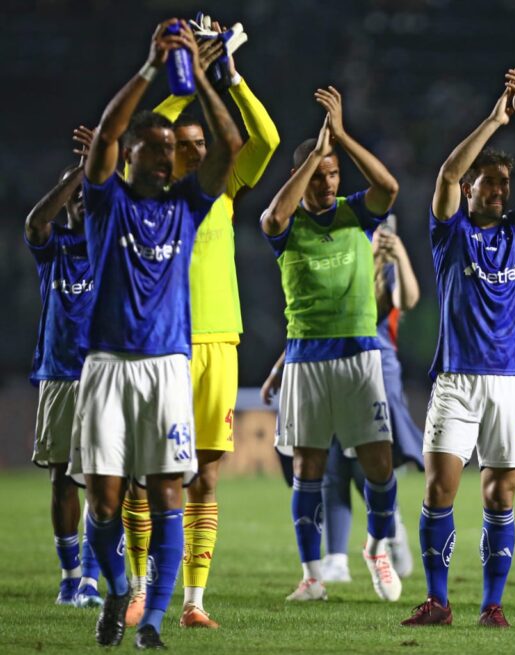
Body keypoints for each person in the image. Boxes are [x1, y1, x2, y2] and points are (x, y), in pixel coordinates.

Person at [70, 19, 242, 650]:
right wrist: (150, 70)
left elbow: (228, 146)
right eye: (157, 147)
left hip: (167, 365)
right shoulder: (105, 202)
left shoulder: (188, 207)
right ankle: (118, 588)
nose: (169, 156)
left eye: (173, 150)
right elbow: (107, 135)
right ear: (134, 154)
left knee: (170, 489)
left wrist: (199, 75)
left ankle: (154, 622)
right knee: (107, 503)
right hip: (108, 365)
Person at [119, 17, 279, 630]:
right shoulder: (150, 192)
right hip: (159, 343)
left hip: (219, 340)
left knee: (205, 475)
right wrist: (182, 78)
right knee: (143, 473)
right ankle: (137, 590)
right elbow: (140, 131)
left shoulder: (223, 189)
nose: (195, 150)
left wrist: (229, 76)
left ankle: (193, 602)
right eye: (183, 144)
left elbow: (261, 140)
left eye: (200, 144)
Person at [402, 69, 515, 628]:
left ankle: (492, 605)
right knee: (440, 487)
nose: (498, 190)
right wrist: (495, 120)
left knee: (501, 495)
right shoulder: (450, 235)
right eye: (487, 182)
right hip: (457, 379)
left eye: (502, 183)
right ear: (471, 188)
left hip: (514, 381)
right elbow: (447, 172)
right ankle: (439, 601)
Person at [260, 85, 401, 604]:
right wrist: (312, 157)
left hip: (359, 354)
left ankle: (376, 549)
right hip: (306, 359)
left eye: (333, 174)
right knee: (308, 469)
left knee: (379, 464)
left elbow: (389, 186)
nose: (326, 184)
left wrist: (340, 137)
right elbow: (271, 217)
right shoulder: (286, 222)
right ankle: (312, 576)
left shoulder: (355, 213)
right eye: (319, 175)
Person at [261, 225, 423, 585]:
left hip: (375, 368)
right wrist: (279, 368)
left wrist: (399, 253)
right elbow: (312, 323)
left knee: (371, 466)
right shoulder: (338, 259)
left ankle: (388, 527)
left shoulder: (383, 267)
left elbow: (409, 300)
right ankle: (336, 557)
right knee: (333, 464)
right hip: (330, 363)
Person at [25, 125, 103, 609]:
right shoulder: (53, 251)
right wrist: (79, 173)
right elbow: (35, 222)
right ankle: (70, 575)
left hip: (104, 374)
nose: (81, 203)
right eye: (75, 196)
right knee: (60, 478)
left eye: (88, 196)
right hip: (58, 373)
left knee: (101, 479)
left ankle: (93, 578)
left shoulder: (111, 248)